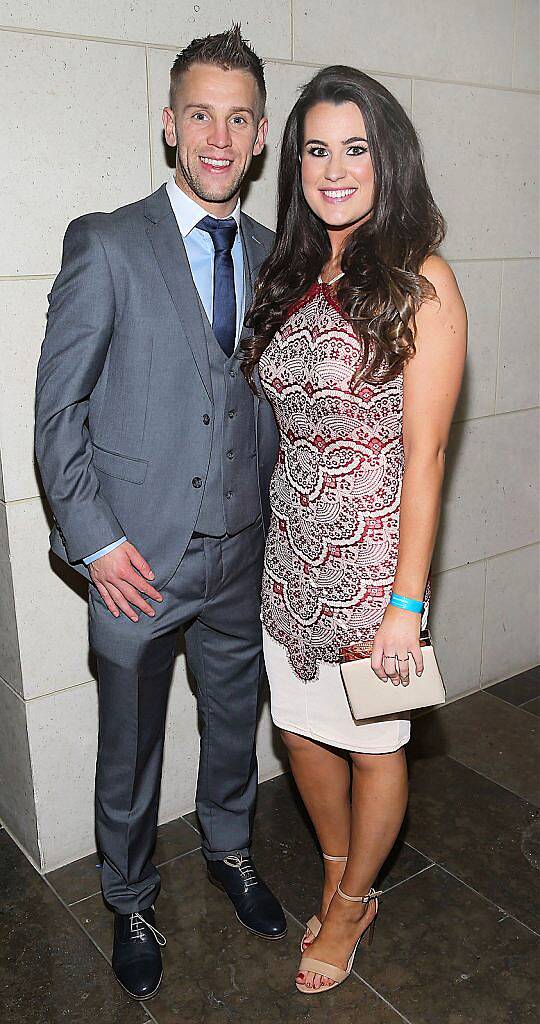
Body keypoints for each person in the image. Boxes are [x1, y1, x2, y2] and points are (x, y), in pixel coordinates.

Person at [34, 26, 286, 1003]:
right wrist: (95, 542)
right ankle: (130, 895)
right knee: (127, 749)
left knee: (234, 725)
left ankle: (230, 851)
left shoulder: (277, 254)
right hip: (134, 563)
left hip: (241, 556)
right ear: (168, 123)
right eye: (199, 114)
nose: (217, 136)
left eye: (236, 117)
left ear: (259, 134)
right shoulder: (106, 242)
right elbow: (57, 415)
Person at [242, 65, 467, 994]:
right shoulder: (296, 271)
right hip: (289, 560)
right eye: (316, 149)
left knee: (375, 746)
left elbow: (427, 458)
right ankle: (339, 869)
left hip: (376, 570)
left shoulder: (423, 280)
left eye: (356, 147)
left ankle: (355, 898)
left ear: (389, 158)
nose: (335, 168)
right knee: (299, 737)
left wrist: (407, 600)